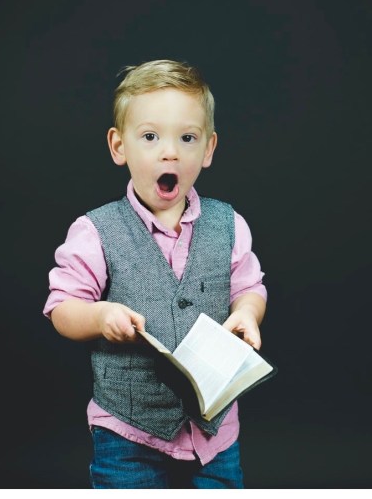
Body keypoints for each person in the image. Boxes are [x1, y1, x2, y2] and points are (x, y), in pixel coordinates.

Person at [43, 59, 267, 488]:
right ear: (119, 146)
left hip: (214, 435)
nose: (170, 152)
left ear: (208, 149)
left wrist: (247, 312)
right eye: (150, 137)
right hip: (128, 434)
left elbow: (249, 287)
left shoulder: (229, 224)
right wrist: (99, 316)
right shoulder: (96, 231)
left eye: (187, 138)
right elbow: (61, 308)